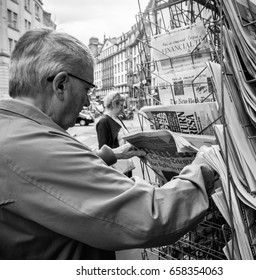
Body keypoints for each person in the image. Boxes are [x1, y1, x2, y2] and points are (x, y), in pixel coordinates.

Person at [0, 28, 215, 260]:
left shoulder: (13, 131)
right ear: (60, 84)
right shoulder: (35, 147)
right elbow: (152, 218)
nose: (87, 101)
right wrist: (207, 163)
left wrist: (111, 154)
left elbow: (46, 185)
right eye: (87, 89)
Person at [96, 91, 134, 177]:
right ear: (113, 104)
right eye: (121, 105)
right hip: (116, 170)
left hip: (125, 166)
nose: (123, 108)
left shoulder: (117, 118)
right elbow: (103, 150)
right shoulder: (104, 121)